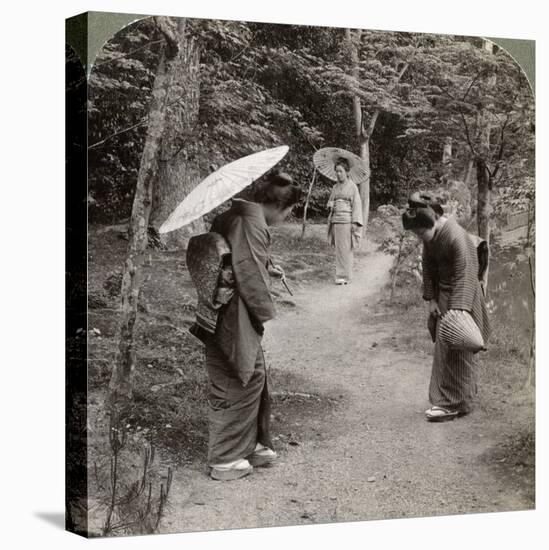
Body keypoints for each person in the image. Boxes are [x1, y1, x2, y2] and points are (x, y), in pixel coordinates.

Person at [190, 172, 301, 480]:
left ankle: (250, 444)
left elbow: (240, 259)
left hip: (221, 306)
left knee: (253, 372)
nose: (288, 216)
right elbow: (247, 273)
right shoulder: (251, 223)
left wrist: (267, 265)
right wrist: (264, 311)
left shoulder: (233, 215)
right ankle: (225, 458)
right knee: (240, 375)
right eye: (289, 209)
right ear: (277, 205)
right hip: (232, 310)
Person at [402, 192, 490, 422]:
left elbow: (467, 274)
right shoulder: (430, 238)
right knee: (444, 349)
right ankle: (447, 401)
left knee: (460, 348)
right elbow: (428, 267)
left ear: (432, 222)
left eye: (422, 232)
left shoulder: (457, 237)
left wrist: (458, 312)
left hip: (465, 296)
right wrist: (431, 299)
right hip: (444, 295)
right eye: (417, 234)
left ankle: (458, 403)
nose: (421, 238)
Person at [326, 158, 363, 284]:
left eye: (341, 171)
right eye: (336, 171)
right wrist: (331, 204)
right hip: (336, 220)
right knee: (338, 250)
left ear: (347, 172)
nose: (338, 174)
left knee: (346, 249)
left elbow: (357, 205)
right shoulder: (335, 187)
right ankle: (340, 274)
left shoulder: (352, 187)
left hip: (347, 221)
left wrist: (354, 222)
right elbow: (331, 200)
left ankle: (345, 276)